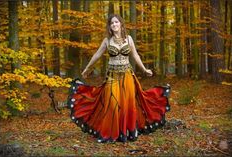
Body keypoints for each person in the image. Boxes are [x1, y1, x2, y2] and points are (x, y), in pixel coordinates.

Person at [67, 14, 170, 143]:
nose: (114, 24)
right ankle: (112, 133)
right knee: (113, 104)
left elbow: (135, 55)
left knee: (128, 104)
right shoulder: (107, 41)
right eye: (112, 23)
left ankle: (128, 132)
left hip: (127, 75)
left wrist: (144, 69)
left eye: (116, 22)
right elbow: (97, 55)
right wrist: (87, 68)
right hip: (112, 76)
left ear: (121, 24)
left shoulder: (129, 39)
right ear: (110, 26)